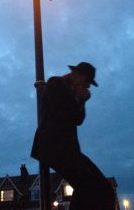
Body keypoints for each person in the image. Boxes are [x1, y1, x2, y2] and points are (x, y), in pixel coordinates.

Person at [31, 62, 115, 210]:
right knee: (85, 186)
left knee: (105, 188)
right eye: (87, 81)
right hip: (53, 147)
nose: (88, 86)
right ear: (77, 75)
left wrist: (80, 101)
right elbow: (61, 112)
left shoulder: (75, 93)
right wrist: (78, 99)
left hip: (68, 149)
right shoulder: (54, 84)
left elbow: (78, 120)